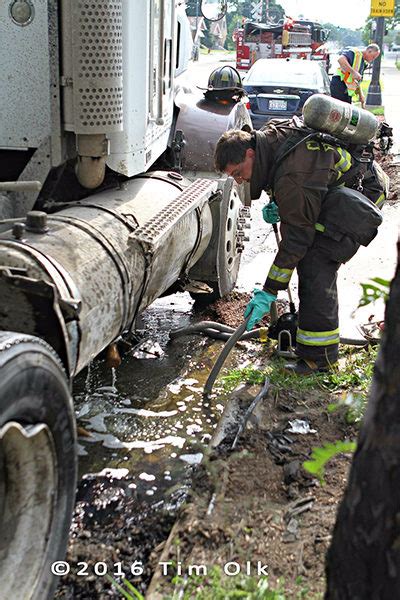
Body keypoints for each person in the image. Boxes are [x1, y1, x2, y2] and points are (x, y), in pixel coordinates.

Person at [214, 120, 385, 375]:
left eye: (239, 172)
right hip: (336, 190)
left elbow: (296, 238)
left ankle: (320, 360)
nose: (240, 180)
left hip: (363, 195)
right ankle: (310, 343)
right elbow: (288, 175)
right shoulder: (267, 140)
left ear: (250, 153)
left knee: (316, 263)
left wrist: (270, 290)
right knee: (309, 253)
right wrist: (280, 203)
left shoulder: (295, 176)